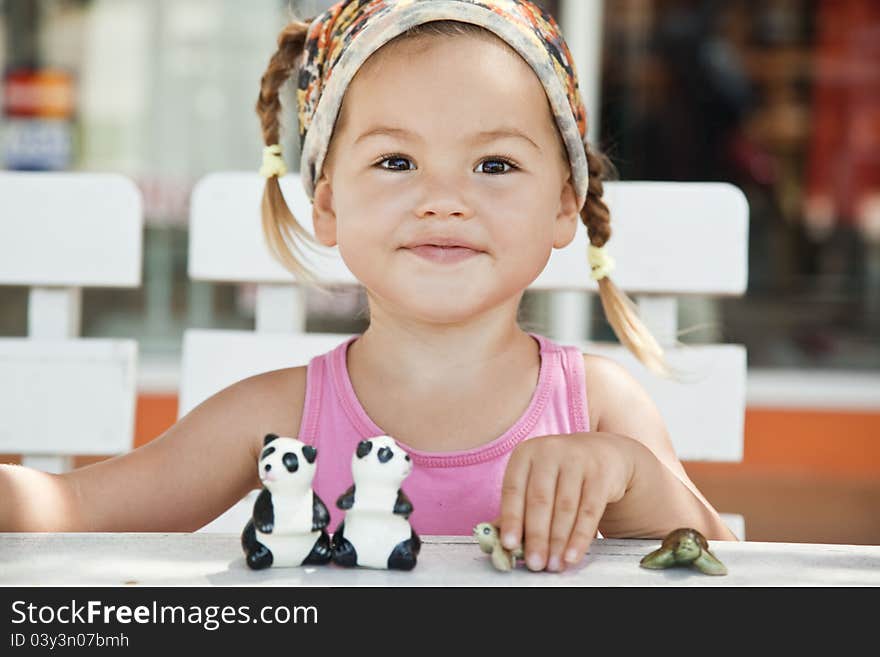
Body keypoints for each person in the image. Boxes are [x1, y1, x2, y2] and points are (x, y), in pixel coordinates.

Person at [0, 0, 736, 573]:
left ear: (562, 206)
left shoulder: (598, 406)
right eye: (394, 162)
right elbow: (73, 508)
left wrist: (625, 473)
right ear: (326, 204)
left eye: (493, 165)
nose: (443, 198)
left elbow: (717, 563)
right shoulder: (279, 414)